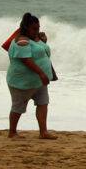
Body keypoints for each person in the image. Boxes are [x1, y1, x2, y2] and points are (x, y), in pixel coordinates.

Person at [5, 12, 56, 140]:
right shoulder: (22, 40)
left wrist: (43, 40)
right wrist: (41, 73)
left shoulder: (34, 39)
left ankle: (43, 132)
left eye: (38, 28)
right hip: (22, 82)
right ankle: (12, 132)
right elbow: (26, 60)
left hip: (38, 81)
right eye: (34, 28)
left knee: (43, 103)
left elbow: (41, 51)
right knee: (18, 107)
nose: (37, 31)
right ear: (26, 28)